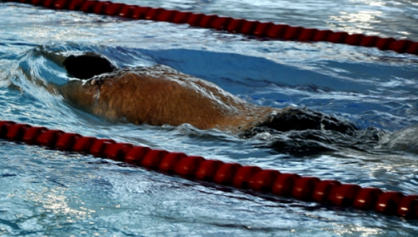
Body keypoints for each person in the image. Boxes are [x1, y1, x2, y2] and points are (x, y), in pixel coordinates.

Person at [42, 52, 358, 137]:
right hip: (286, 116)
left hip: (258, 135)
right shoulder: (155, 72)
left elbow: (51, 89)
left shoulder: (110, 89)